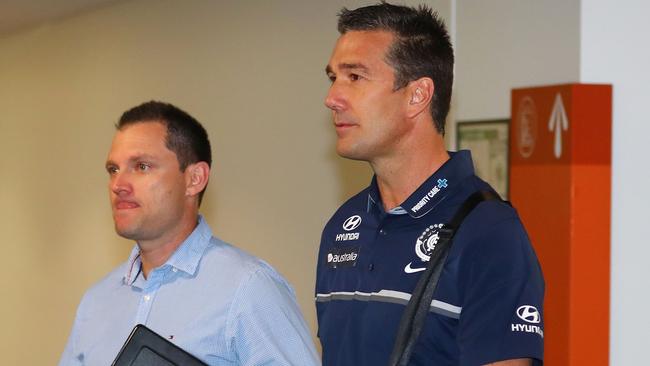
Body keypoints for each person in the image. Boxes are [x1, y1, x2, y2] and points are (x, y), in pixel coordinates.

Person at [315, 3, 544, 365]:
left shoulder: (488, 231)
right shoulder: (344, 225)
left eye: (355, 77)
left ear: (417, 95)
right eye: (333, 78)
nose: (332, 98)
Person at [59, 101, 319, 365]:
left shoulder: (249, 289)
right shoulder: (96, 301)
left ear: (194, 179)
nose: (118, 185)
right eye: (113, 169)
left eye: (141, 166)